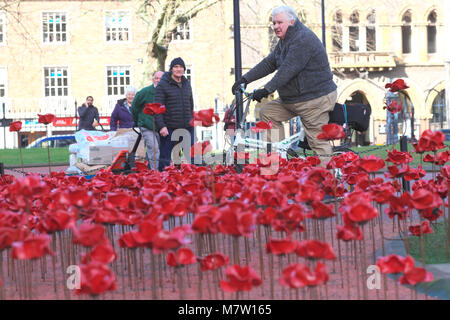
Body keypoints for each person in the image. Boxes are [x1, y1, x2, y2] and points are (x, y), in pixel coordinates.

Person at [232, 5, 337, 163]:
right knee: (268, 112)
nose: (275, 26)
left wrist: (266, 89)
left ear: (292, 21)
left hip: (314, 99)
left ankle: (329, 179)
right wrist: (245, 79)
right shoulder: (284, 41)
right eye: (273, 23)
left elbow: (288, 70)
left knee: (317, 140)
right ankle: (278, 159)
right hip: (293, 99)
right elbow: (269, 63)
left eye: (279, 22)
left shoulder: (302, 39)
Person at [154, 57, 194, 171]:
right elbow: (157, 107)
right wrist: (161, 126)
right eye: (176, 67)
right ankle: (161, 181)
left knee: (190, 157)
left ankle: (190, 181)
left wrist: (192, 121)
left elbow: (190, 104)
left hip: (187, 127)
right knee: (165, 158)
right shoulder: (163, 85)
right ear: (171, 69)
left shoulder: (187, 84)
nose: (178, 69)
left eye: (181, 67)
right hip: (169, 128)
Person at [131, 71, 164, 170]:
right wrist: (139, 121)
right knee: (154, 149)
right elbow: (134, 107)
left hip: (161, 127)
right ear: (153, 79)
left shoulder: (166, 92)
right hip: (147, 125)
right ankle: (155, 174)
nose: (158, 80)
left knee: (159, 150)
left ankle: (151, 169)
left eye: (160, 78)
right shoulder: (145, 92)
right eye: (156, 78)